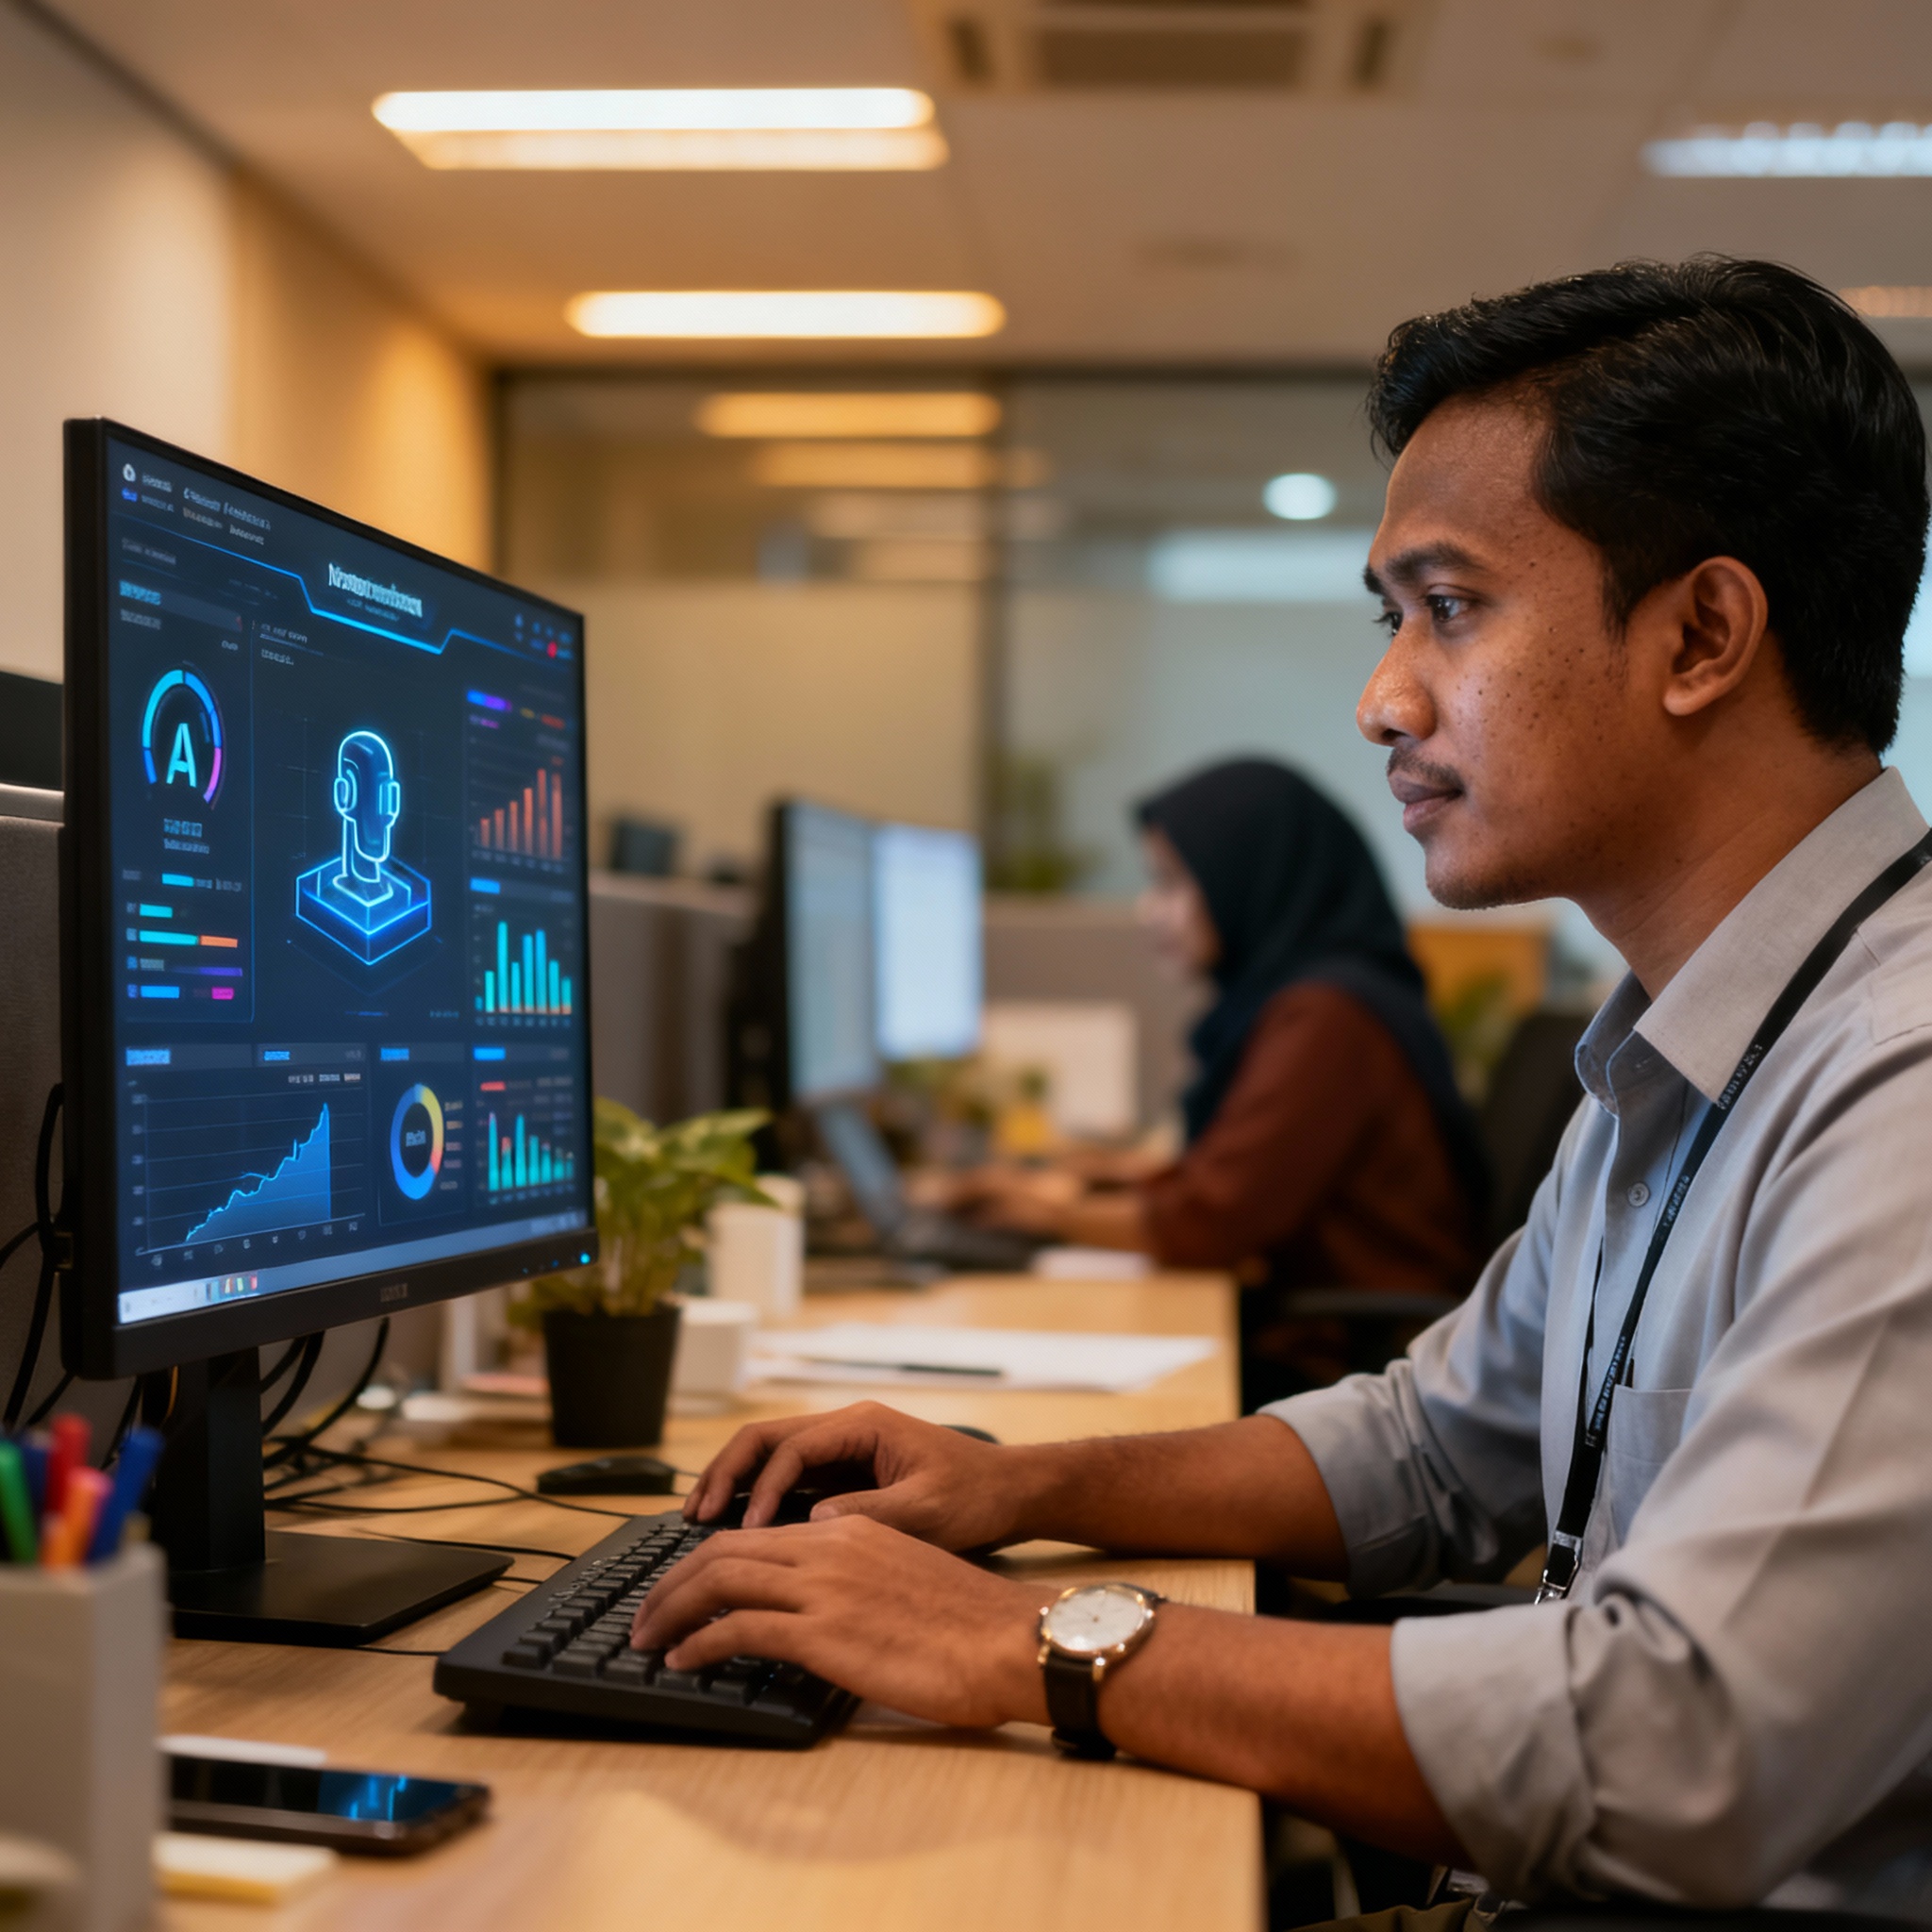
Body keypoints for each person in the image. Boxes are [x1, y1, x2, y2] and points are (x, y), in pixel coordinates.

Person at [627, 258, 1932, 1918]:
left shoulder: (1896, 1080)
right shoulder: (1680, 1040)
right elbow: (1434, 1443)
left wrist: (1026, 1640)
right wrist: (1022, 1486)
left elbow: (1682, 1743)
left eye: (1447, 608)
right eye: (1389, 618)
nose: (1383, 697)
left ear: (1699, 634)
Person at [960, 758, 1488, 1401]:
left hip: (1348, 1369)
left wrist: (1042, 1208)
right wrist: (1093, 1177)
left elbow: (1205, 1225)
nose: (1152, 911)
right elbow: (1229, 1181)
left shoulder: (1328, 1018)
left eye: (1173, 883)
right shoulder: (1315, 996)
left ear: (1251, 878)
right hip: (1329, 1342)